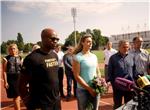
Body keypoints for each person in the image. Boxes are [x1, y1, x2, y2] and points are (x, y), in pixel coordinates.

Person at [19, 28, 61, 110]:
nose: (55, 41)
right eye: (53, 39)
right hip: (40, 104)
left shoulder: (54, 55)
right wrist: (28, 103)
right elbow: (21, 85)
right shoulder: (32, 58)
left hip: (56, 102)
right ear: (43, 39)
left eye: (57, 39)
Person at [72, 33, 101, 110]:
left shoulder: (94, 56)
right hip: (83, 90)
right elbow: (76, 76)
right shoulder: (77, 57)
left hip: (95, 89)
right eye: (88, 41)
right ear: (82, 42)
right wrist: (89, 88)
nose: (90, 43)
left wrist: (99, 84)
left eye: (91, 42)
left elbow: (98, 71)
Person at [107, 40, 134, 109]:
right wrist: (114, 84)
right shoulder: (113, 58)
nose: (126, 49)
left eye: (127, 47)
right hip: (118, 87)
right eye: (124, 47)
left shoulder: (131, 57)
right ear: (119, 47)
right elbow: (109, 73)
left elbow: (134, 70)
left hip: (129, 86)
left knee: (129, 106)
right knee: (117, 105)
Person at [2, 43, 23, 110]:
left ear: (17, 49)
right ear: (9, 50)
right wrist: (5, 82)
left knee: (17, 97)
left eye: (14, 48)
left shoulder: (20, 58)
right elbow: (4, 71)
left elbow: (22, 70)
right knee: (16, 97)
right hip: (11, 80)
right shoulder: (6, 59)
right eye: (11, 49)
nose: (12, 50)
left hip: (19, 79)